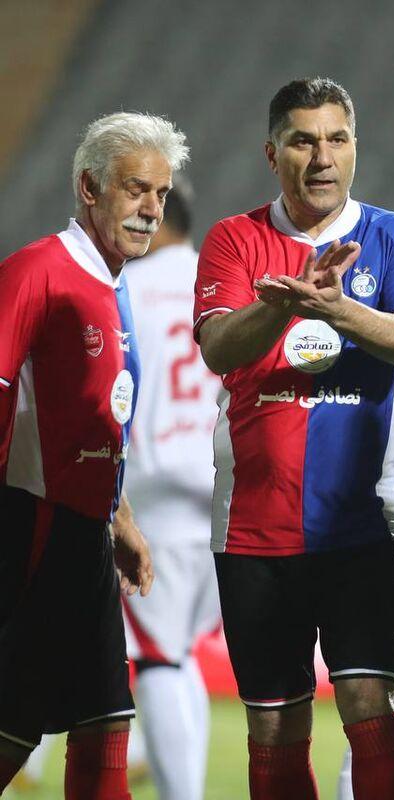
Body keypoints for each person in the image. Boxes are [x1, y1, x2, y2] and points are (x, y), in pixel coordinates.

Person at [193, 77, 394, 799]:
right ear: (273, 154)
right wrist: (284, 305)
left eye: (337, 139)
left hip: (365, 524)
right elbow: (219, 347)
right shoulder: (235, 238)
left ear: (355, 147)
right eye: (303, 141)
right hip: (254, 526)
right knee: (274, 726)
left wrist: (335, 308)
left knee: (372, 706)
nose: (323, 157)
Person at [0, 111, 186, 795]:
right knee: (24, 721)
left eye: (161, 194)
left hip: (84, 534)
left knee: (102, 721)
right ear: (89, 186)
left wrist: (119, 517)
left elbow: (94, 424)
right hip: (32, 528)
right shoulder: (38, 271)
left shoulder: (114, 282)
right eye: (136, 189)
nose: (151, 209)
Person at [121, 174, 222, 800]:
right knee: (178, 653)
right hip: (225, 492)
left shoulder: (125, 288)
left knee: (159, 657)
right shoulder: (228, 283)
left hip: (153, 494)